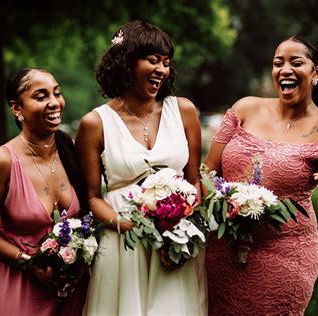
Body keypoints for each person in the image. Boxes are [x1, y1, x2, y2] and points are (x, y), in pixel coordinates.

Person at [204, 36, 318, 315]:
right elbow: (208, 171)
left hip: (284, 256)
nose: (285, 69)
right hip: (221, 249)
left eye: (296, 62)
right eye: (277, 63)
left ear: (316, 73)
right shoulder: (245, 108)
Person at [75, 21, 207, 315]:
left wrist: (181, 229)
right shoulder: (95, 123)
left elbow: (194, 180)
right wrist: (126, 227)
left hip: (175, 239)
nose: (162, 70)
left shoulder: (184, 110)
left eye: (166, 63)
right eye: (153, 60)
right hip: (124, 242)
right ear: (126, 62)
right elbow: (93, 197)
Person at [0, 68, 87, 315]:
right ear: (17, 108)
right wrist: (30, 263)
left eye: (57, 93)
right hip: (21, 287)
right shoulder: (2, 162)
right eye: (41, 96)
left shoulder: (70, 152)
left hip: (74, 291)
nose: (54, 103)